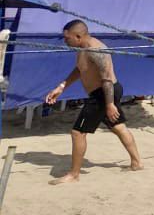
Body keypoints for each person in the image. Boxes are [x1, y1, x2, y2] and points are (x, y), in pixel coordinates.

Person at [44, 20, 143, 184]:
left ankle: (74, 175)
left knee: (78, 132)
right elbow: (80, 69)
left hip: (103, 94)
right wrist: (61, 86)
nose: (65, 41)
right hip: (103, 93)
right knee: (117, 126)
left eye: (67, 38)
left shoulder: (96, 49)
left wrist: (109, 104)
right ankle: (137, 163)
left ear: (78, 36)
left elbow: (107, 80)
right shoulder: (81, 48)